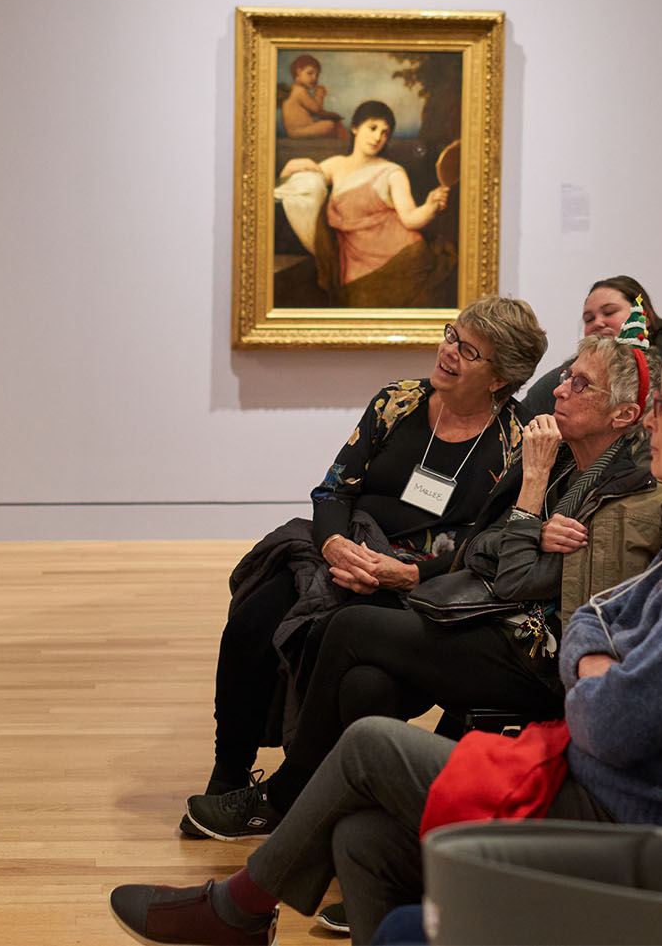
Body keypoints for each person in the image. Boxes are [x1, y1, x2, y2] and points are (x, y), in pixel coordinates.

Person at [109, 332, 662, 944]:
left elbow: (598, 682)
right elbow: (530, 580)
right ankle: (257, 856)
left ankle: (242, 897)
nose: (652, 419)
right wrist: (591, 646)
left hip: (608, 794)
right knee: (362, 803)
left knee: (368, 722)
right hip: (535, 678)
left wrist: (585, 651)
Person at [185, 332, 662, 842]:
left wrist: (529, 498)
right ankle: (358, 828)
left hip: (531, 650)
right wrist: (529, 533)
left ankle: (285, 798)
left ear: (623, 416)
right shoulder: (557, 456)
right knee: (362, 682)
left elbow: (511, 577)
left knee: (348, 626)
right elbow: (482, 545)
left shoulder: (600, 486)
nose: (560, 389)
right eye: (566, 375)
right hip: (479, 611)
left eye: (582, 384)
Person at [206, 298, 545, 798]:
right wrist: (336, 545)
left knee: (337, 654)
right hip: (343, 547)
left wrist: (410, 574)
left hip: (421, 580)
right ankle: (229, 772)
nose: (448, 351)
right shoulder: (398, 401)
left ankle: (309, 791)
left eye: (468, 350)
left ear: (499, 378)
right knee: (250, 624)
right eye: (452, 335)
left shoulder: (515, 441)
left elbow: (487, 543)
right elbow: (334, 489)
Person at [274, 100, 455, 307]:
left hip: (404, 261)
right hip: (356, 269)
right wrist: (292, 165)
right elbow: (303, 186)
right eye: (373, 128)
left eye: (385, 133)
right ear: (355, 128)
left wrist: (430, 206)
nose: (378, 137)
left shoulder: (392, 172)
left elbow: (410, 218)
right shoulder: (336, 165)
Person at [517, 276, 662, 421]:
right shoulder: (565, 376)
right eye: (589, 319)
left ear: (645, 317)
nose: (597, 323)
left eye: (609, 312)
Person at [280, 54, 348, 139]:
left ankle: (345, 141)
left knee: (334, 124)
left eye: (317, 75)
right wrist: (319, 95)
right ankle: (347, 142)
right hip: (299, 131)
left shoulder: (295, 89)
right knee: (330, 125)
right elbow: (316, 109)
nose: (314, 78)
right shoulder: (299, 91)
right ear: (298, 72)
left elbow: (315, 112)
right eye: (310, 73)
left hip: (301, 129)